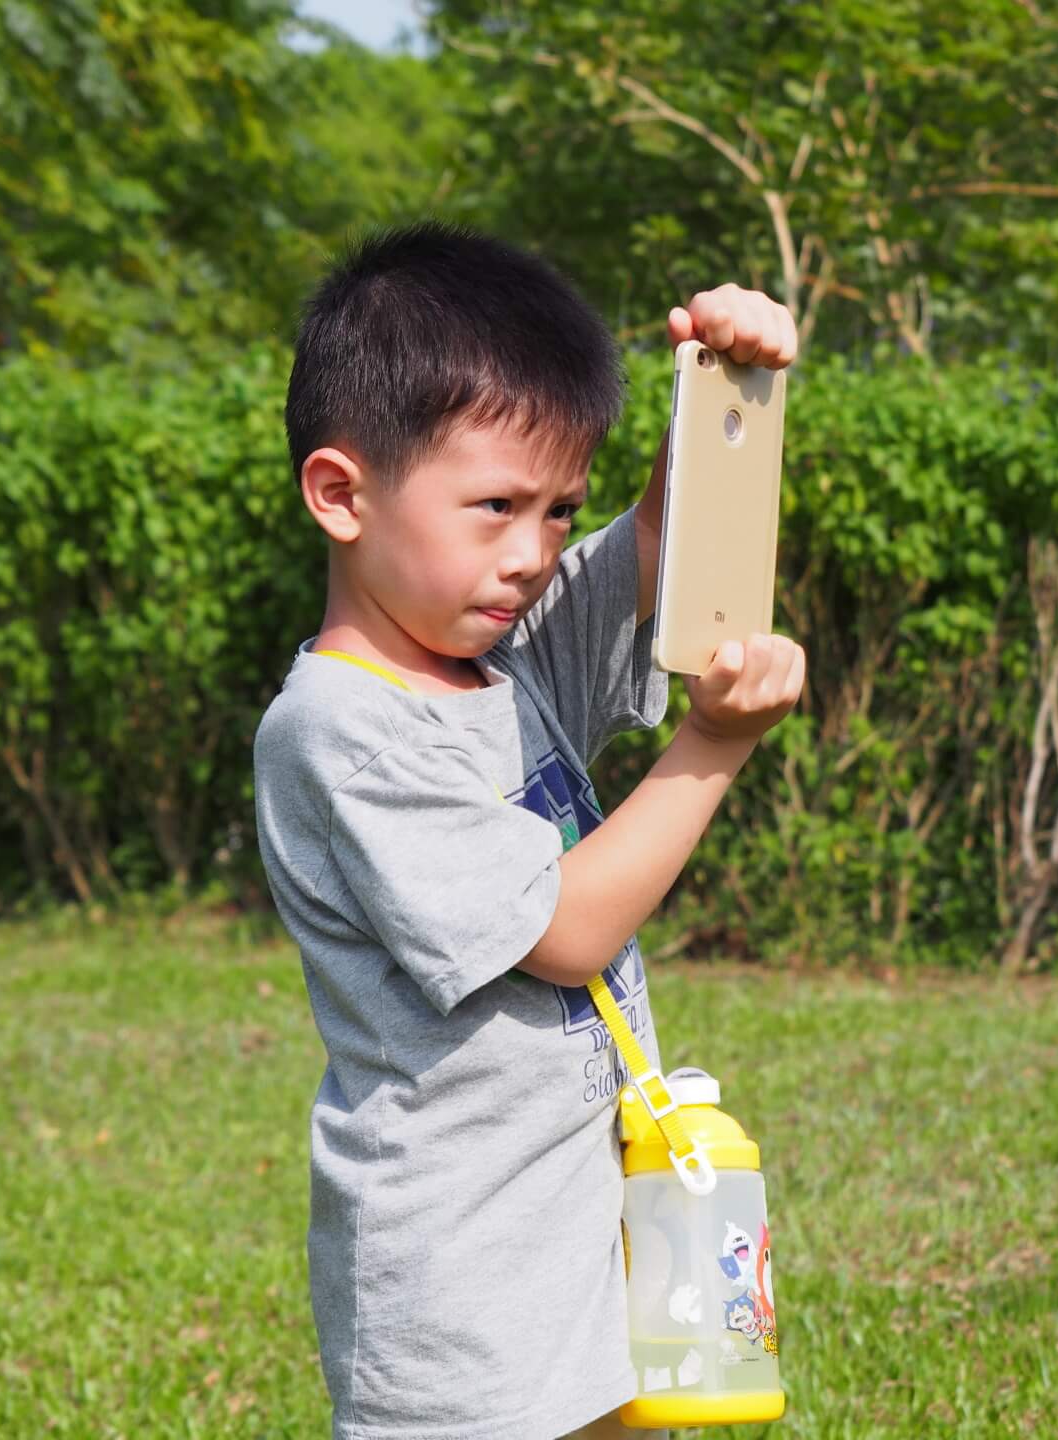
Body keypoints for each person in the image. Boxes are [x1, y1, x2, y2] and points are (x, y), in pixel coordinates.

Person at [253, 221, 804, 1440]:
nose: (531, 556)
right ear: (342, 494)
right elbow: (564, 931)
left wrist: (722, 380)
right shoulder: (343, 729)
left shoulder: (498, 662)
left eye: (558, 511)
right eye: (496, 506)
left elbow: (658, 552)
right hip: (456, 1293)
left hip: (585, 1246)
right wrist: (711, 748)